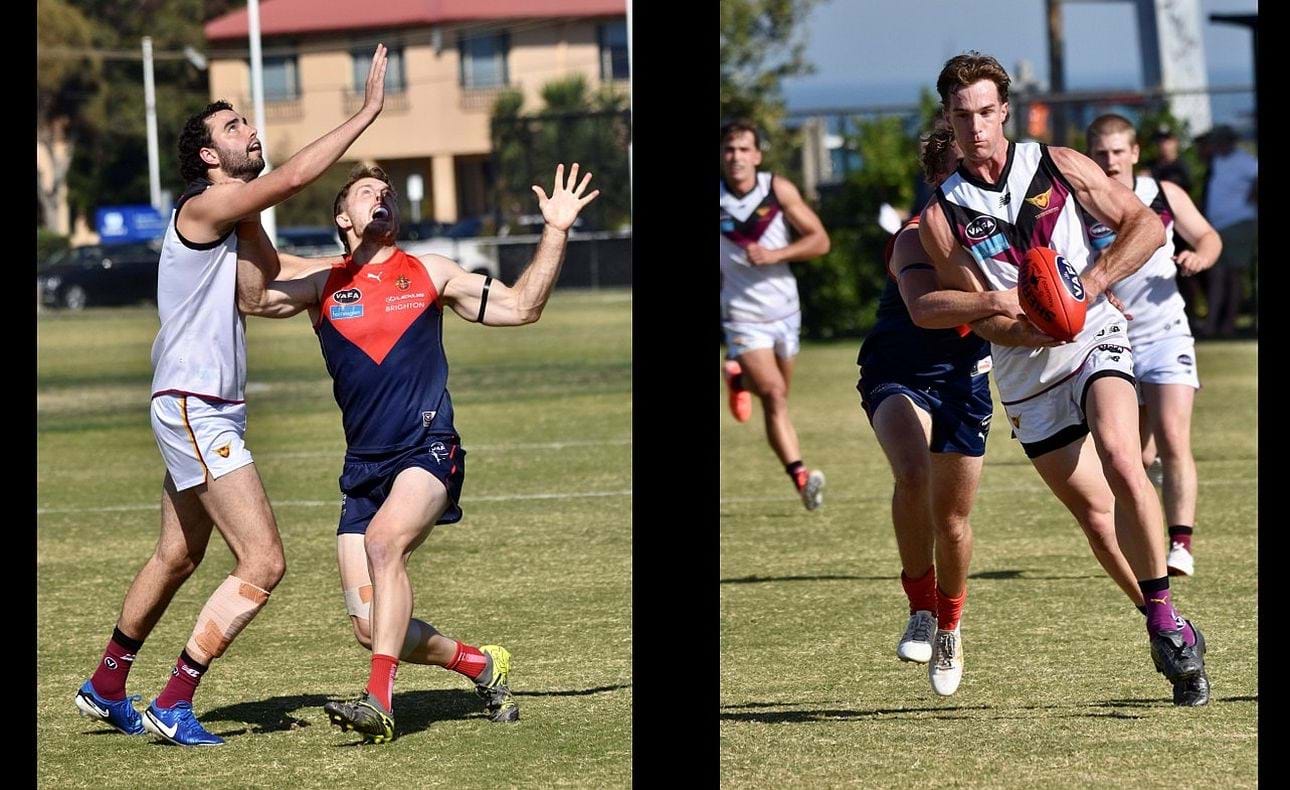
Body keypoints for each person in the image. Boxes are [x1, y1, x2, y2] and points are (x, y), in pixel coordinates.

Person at [73, 45, 391, 746]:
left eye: (247, 121)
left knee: (178, 557)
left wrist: (355, 265)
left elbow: (257, 289)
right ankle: (175, 700)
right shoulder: (208, 202)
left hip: (192, 404)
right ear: (210, 159)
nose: (249, 130)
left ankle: (106, 684)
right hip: (194, 403)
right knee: (264, 561)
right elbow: (300, 173)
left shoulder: (233, 216)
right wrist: (365, 112)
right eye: (234, 127)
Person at [235, 163, 599, 743]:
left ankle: (378, 701)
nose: (382, 196)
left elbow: (523, 306)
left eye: (388, 192)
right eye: (366, 192)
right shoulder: (322, 284)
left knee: (385, 544)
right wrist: (249, 210)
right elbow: (253, 297)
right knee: (369, 626)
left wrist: (555, 230)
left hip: (429, 450)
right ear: (343, 217)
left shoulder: (430, 273)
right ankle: (481, 665)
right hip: (363, 469)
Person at [918, 52, 1210, 706]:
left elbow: (1140, 224)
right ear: (949, 119)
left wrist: (1088, 289)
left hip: (1095, 334)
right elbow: (985, 319)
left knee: (1121, 454)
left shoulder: (1058, 164)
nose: (977, 128)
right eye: (962, 116)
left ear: (1005, 112)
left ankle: (1164, 617)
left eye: (987, 112)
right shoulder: (942, 218)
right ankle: (1167, 627)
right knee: (1096, 517)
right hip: (1026, 373)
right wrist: (1030, 322)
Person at [858, 120, 1021, 695]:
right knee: (912, 473)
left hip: (963, 383)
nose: (971, 182)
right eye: (956, 171)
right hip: (896, 373)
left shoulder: (1004, 240)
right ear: (934, 179)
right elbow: (927, 308)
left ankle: (950, 627)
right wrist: (1004, 298)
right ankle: (920, 606)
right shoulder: (912, 236)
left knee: (952, 521)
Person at [1084, 114, 1222, 577]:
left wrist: (1200, 254)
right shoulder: (1080, 206)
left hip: (1166, 333)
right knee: (1136, 457)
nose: (1111, 161)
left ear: (1135, 152)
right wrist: (1099, 292)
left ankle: (1180, 543)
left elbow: (1207, 235)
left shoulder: (1162, 195)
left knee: (1172, 435)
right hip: (1114, 340)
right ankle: (1152, 507)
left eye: (1119, 151)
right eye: (1102, 153)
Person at [719, 121, 831, 510]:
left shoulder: (777, 189)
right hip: (742, 315)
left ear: (757, 155)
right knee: (774, 394)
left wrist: (775, 255)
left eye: (743, 149)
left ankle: (738, 379)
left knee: (777, 397)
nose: (736, 157)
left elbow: (820, 240)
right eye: (729, 149)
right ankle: (801, 476)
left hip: (786, 310)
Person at [1199, 125, 1257, 338]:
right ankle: (1214, 324)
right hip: (1219, 226)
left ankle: (1227, 325)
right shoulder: (1218, 161)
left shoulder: (1244, 161)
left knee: (1231, 275)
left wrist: (1252, 196)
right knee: (1218, 275)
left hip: (1238, 223)